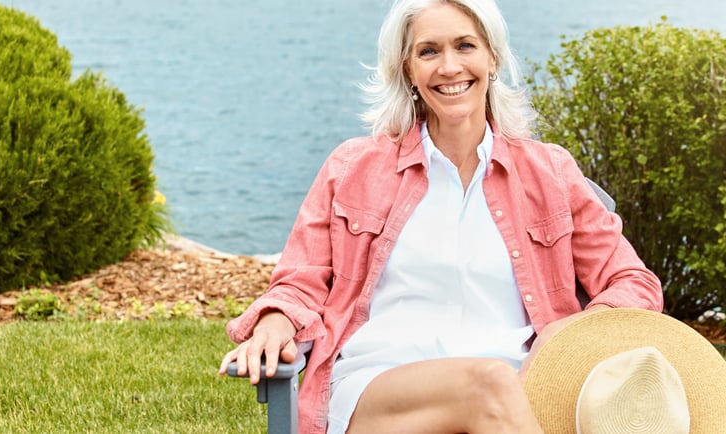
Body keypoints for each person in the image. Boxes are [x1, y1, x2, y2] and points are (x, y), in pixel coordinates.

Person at [218, 0, 663, 432]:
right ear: (408, 70)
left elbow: (634, 283)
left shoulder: (550, 172)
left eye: (465, 46)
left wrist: (567, 331)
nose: (449, 67)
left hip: (519, 392)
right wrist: (276, 319)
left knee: (495, 385)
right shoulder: (352, 168)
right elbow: (300, 280)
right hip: (382, 391)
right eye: (428, 51)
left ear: (492, 58)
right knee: (488, 383)